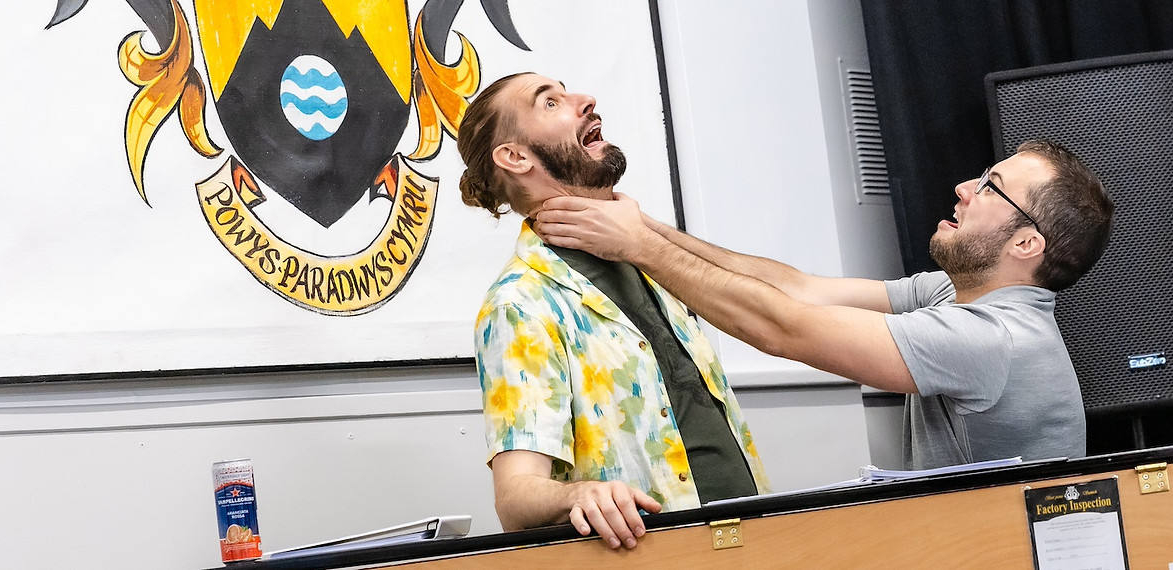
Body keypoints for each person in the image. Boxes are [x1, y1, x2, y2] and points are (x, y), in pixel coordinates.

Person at [533, 138, 1114, 471]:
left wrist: (638, 247)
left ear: (1027, 243)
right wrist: (646, 228)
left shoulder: (988, 341)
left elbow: (782, 326)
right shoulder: (951, 295)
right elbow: (798, 290)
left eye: (991, 186)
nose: (965, 188)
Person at [456, 73, 769, 550]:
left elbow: (783, 296)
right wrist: (576, 495)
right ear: (515, 157)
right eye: (550, 102)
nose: (586, 99)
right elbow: (514, 499)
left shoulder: (651, 261)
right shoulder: (520, 303)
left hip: (762, 543)